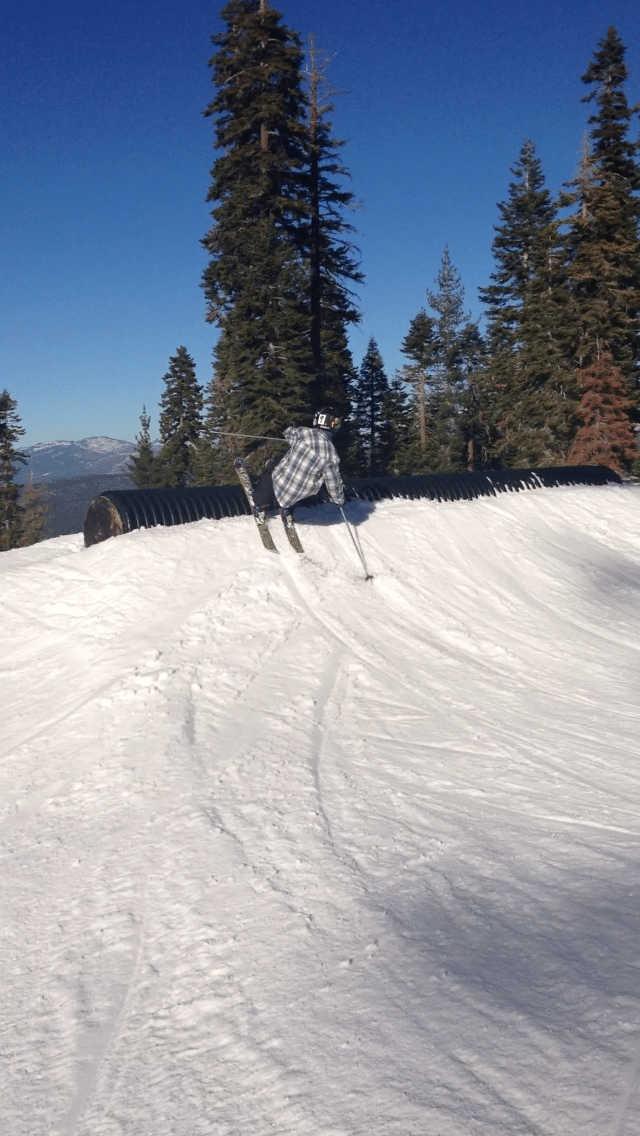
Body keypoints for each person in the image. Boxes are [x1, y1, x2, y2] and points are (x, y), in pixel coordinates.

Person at [251, 407, 345, 516]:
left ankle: (261, 502)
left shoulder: (304, 432)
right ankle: (285, 506)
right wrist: (338, 500)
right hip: (296, 496)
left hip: (279, 482)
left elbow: (288, 432)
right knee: (308, 479)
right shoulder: (332, 455)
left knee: (275, 464)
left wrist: (283, 429)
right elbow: (333, 482)